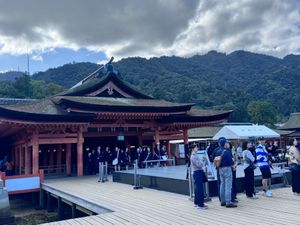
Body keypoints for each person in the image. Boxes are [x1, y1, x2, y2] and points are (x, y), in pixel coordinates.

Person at [215, 138, 237, 208]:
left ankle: (222, 201)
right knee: (228, 185)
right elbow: (231, 162)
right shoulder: (227, 151)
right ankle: (228, 201)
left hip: (220, 169)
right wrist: (235, 164)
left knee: (222, 185)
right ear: (225, 144)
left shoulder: (217, 151)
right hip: (227, 168)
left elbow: (215, 160)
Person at [190, 144, 208, 209]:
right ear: (193, 149)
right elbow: (199, 165)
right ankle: (200, 204)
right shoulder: (193, 156)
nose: (197, 148)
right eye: (196, 148)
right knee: (200, 189)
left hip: (197, 172)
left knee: (197, 188)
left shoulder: (194, 156)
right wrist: (203, 160)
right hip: (198, 172)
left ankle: (197, 202)